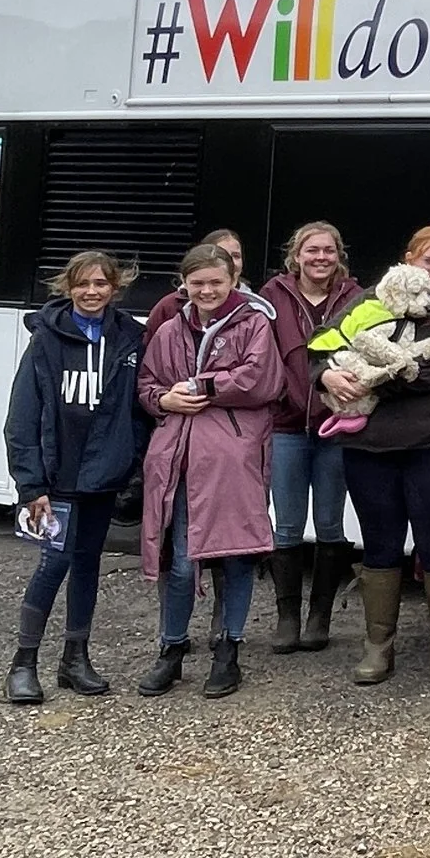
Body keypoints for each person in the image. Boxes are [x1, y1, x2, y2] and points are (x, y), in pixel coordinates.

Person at [326, 226, 430, 688]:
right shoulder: (368, 299)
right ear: (407, 258)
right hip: (367, 445)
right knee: (379, 542)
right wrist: (325, 378)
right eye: (427, 260)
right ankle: (378, 647)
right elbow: (327, 341)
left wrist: (370, 379)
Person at [136, 242, 284, 699]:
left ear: (232, 281)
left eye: (215, 282)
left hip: (232, 460)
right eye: (197, 283)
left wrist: (200, 385)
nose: (206, 290)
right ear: (185, 284)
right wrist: (163, 399)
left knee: (236, 556)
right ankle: (173, 649)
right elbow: (146, 382)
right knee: (180, 562)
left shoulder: (255, 323)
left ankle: (229, 649)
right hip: (179, 458)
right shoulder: (169, 329)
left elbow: (260, 379)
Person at [1, 250, 146, 705]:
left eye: (101, 284)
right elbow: (23, 416)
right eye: (83, 284)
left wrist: (131, 463)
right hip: (58, 477)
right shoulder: (46, 340)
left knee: (87, 564)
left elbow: (139, 409)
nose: (91, 292)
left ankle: (75, 658)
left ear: (115, 288)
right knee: (54, 563)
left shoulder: (129, 339)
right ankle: (23, 663)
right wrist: (32, 485)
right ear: (69, 287)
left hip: (102, 476)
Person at [262, 221, 366, 653]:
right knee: (285, 525)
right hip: (286, 425)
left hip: (336, 426)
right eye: (311, 251)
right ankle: (287, 618)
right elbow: (264, 354)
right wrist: (285, 392)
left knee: (328, 523)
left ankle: (319, 618)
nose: (320, 258)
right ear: (296, 255)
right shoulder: (272, 297)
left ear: (338, 255)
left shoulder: (357, 298)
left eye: (328, 251)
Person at [145, 226, 259, 339]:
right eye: (221, 254)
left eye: (236, 256)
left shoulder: (255, 311)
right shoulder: (169, 306)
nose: (231, 262)